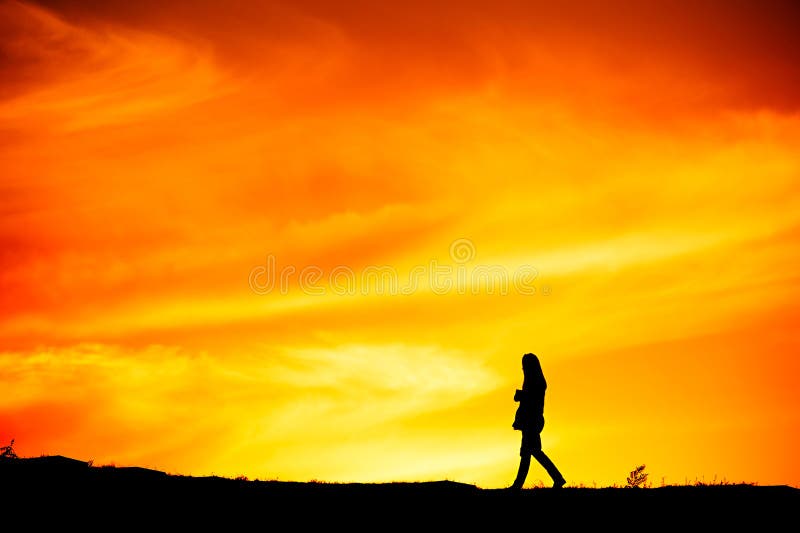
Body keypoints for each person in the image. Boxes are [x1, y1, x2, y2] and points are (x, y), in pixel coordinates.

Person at [510, 352, 566, 489]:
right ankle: (518, 484)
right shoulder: (531, 381)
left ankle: (557, 478)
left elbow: (533, 399)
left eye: (525, 366)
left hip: (533, 421)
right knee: (528, 453)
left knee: (532, 452)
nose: (523, 369)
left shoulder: (538, 382)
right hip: (529, 421)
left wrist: (521, 396)